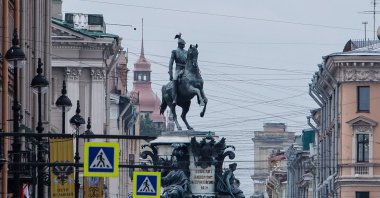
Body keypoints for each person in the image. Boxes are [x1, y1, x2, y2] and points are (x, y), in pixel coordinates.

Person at [169, 33, 187, 105]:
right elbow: (171, 63)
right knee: (175, 79)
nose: (184, 46)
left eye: (184, 44)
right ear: (179, 44)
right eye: (182, 44)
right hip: (178, 69)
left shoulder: (186, 52)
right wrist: (170, 73)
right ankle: (175, 97)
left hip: (186, 69)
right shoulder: (175, 52)